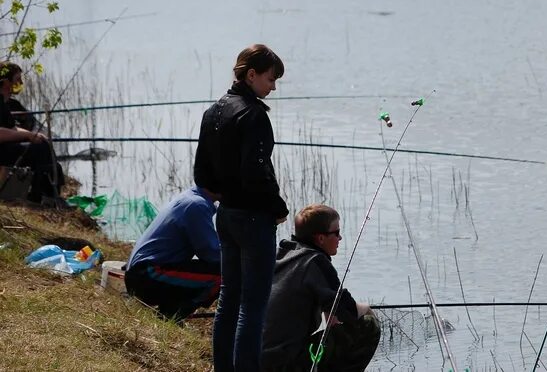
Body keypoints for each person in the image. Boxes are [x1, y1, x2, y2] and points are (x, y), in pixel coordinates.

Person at [195, 44, 289, 372]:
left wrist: (227, 195)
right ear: (251, 75)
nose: (273, 87)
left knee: (229, 301)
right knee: (253, 306)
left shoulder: (214, 111)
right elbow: (257, 171)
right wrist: (278, 207)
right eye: (270, 78)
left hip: (226, 217)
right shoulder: (254, 116)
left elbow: (201, 175)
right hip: (253, 220)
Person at [261, 204, 380, 372]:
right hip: (284, 363)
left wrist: (330, 312)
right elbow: (349, 311)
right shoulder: (315, 261)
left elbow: (329, 304)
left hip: (255, 358)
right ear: (320, 238)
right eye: (336, 233)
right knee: (368, 325)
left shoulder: (284, 255)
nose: (340, 238)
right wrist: (366, 308)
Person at [124, 186, 222, 321]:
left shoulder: (191, 197)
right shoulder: (197, 205)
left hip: (141, 273)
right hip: (147, 275)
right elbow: (212, 254)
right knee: (224, 276)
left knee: (217, 270)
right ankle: (173, 315)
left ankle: (170, 310)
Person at [0, 62, 63, 203]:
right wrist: (27, 135)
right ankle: (40, 196)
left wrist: (34, 135)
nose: (20, 84)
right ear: (5, 82)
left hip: (4, 147)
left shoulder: (3, 103)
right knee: (38, 150)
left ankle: (50, 196)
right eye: (17, 80)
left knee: (43, 143)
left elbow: (12, 128)